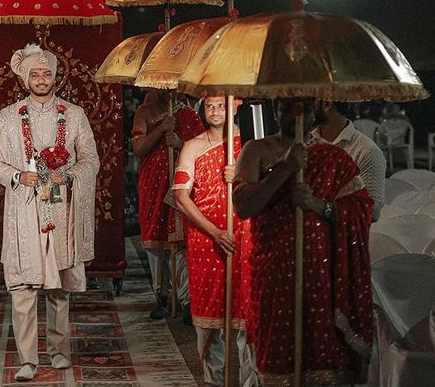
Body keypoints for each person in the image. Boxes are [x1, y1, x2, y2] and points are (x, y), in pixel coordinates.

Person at [233, 98, 374, 387]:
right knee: (277, 358)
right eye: (287, 106)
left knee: (322, 357)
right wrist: (285, 168)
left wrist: (317, 204)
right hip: (273, 271)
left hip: (321, 278)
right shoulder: (256, 150)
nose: (295, 113)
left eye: (303, 107)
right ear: (276, 110)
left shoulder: (333, 157)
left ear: (315, 111)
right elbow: (243, 206)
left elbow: (362, 210)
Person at [0, 43, 99, 382]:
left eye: (46, 73)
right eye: (34, 74)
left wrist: (65, 175)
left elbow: (91, 161)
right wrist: (19, 176)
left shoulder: (75, 114)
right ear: (25, 79)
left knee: (58, 286)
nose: (41, 79)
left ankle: (59, 351)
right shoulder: (7, 118)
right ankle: (27, 359)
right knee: (23, 288)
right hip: (24, 210)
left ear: (55, 77)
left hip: (60, 208)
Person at [173, 97, 257, 387]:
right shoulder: (193, 146)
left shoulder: (250, 143)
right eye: (210, 106)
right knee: (209, 323)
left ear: (235, 106)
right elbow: (181, 196)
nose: (215, 111)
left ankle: (250, 383)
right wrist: (214, 232)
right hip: (206, 241)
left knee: (248, 318)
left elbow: (269, 186)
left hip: (244, 237)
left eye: (222, 105)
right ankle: (213, 381)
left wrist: (243, 174)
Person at [132, 88, 204, 320]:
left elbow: (202, 151)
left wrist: (180, 143)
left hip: (179, 184)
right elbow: (138, 148)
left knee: (181, 242)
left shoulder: (189, 115)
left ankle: (185, 299)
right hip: (152, 184)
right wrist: (161, 130)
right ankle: (161, 296)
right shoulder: (144, 112)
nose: (167, 91)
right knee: (156, 241)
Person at [312, 100, 387, 221]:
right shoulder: (307, 143)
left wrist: (322, 207)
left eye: (310, 102)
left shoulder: (366, 151)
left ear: (327, 104)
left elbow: (372, 211)